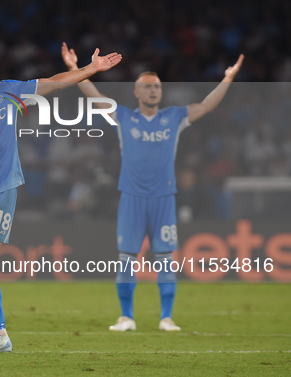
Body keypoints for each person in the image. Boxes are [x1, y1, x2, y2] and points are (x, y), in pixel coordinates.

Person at [0, 40, 122, 353]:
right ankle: (0, 336)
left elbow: (54, 83)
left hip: (1, 188)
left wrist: (90, 70)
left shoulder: (7, 92)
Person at [61, 42, 243, 332]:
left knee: (165, 259)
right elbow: (94, 96)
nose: (153, 90)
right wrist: (74, 69)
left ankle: (166, 318)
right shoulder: (123, 116)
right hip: (131, 197)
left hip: (163, 198)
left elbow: (206, 105)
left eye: (157, 86)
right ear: (136, 92)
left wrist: (228, 79)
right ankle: (126, 317)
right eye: (147, 86)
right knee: (126, 258)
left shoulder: (173, 117)